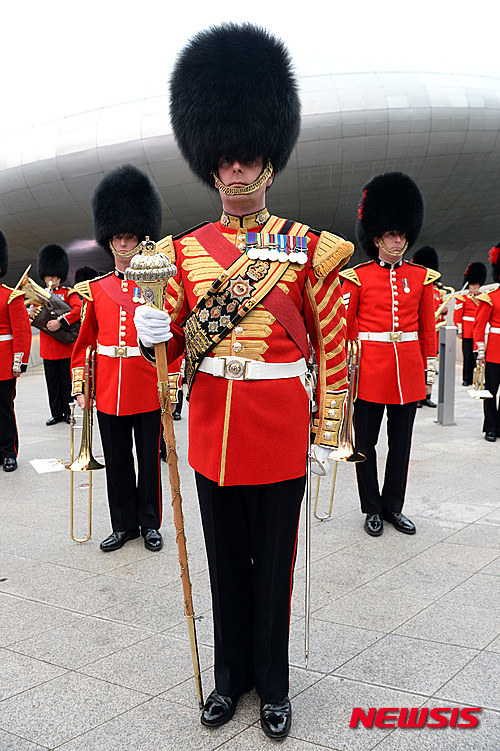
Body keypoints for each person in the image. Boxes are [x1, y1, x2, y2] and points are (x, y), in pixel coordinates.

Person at [134, 23, 353, 740]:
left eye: (246, 158)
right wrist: (149, 336)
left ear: (269, 161)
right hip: (214, 434)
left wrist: (327, 432)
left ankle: (275, 680)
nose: (234, 172)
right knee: (226, 565)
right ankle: (230, 679)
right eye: (223, 160)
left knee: (274, 568)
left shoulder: (305, 250)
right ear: (210, 164)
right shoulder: (183, 252)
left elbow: (332, 341)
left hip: (281, 433)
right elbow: (165, 351)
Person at [71, 164, 164, 552]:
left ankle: (150, 523)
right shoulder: (95, 290)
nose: (123, 246)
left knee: (149, 459)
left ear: (141, 240)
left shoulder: (157, 285)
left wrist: (169, 383)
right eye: (118, 239)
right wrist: (81, 387)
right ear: (109, 240)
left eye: (130, 238)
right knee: (118, 462)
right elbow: (83, 346)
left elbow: (164, 339)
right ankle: (123, 524)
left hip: (145, 386)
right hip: (109, 388)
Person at [341, 172, 437, 537]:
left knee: (401, 446)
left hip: (408, 372)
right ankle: (372, 508)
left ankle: (393, 506)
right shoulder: (358, 278)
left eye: (401, 234)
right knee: (366, 445)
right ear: (377, 237)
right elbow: (349, 328)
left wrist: (428, 368)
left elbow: (427, 330)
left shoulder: (422, 279)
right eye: (391, 234)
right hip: (369, 371)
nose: (397, 240)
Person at [37, 244, 82, 425]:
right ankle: (56, 413)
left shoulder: (68, 293)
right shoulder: (40, 296)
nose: (50, 279)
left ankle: (68, 411)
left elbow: (78, 309)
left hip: (65, 347)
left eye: (53, 276)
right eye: (48, 276)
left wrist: (61, 322)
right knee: (52, 384)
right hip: (48, 348)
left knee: (66, 382)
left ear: (59, 276)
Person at [0, 230, 31, 471]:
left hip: (3, 363)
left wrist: (19, 361)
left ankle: (9, 452)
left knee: (4, 410)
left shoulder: (11, 297)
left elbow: (22, 332)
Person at [411, 245, 445, 408]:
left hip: (431, 333)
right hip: (416, 334)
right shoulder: (417, 288)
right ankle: (418, 395)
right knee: (417, 369)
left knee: (429, 366)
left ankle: (427, 395)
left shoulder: (436, 291)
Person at [473, 244, 500, 441]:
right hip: (494, 352)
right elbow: (479, 327)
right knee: (490, 392)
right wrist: (480, 352)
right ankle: (490, 426)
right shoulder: (489, 298)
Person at [454, 262, 487, 386]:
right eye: (474, 286)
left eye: (477, 286)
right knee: (467, 356)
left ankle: (477, 379)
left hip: (479, 330)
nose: (476, 288)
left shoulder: (483, 298)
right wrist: (460, 330)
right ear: (469, 286)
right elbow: (458, 315)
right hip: (468, 331)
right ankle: (467, 378)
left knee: (478, 355)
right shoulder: (463, 299)